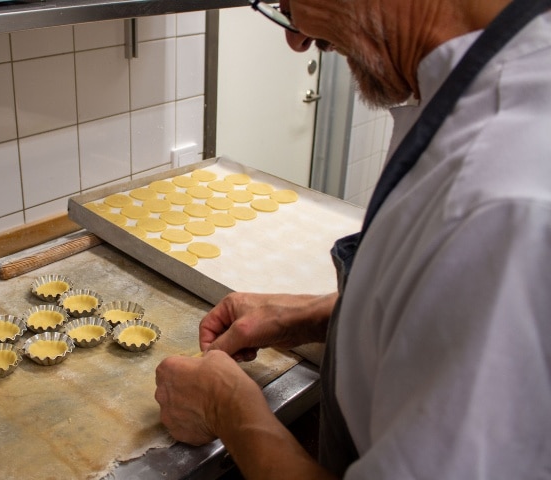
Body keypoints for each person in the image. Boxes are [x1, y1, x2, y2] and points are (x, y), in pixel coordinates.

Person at [154, 0, 551, 477]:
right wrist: (308, 317)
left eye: (288, 5)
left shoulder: (504, 198)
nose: (296, 37)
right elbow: (441, 301)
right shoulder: (485, 90)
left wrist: (229, 410)